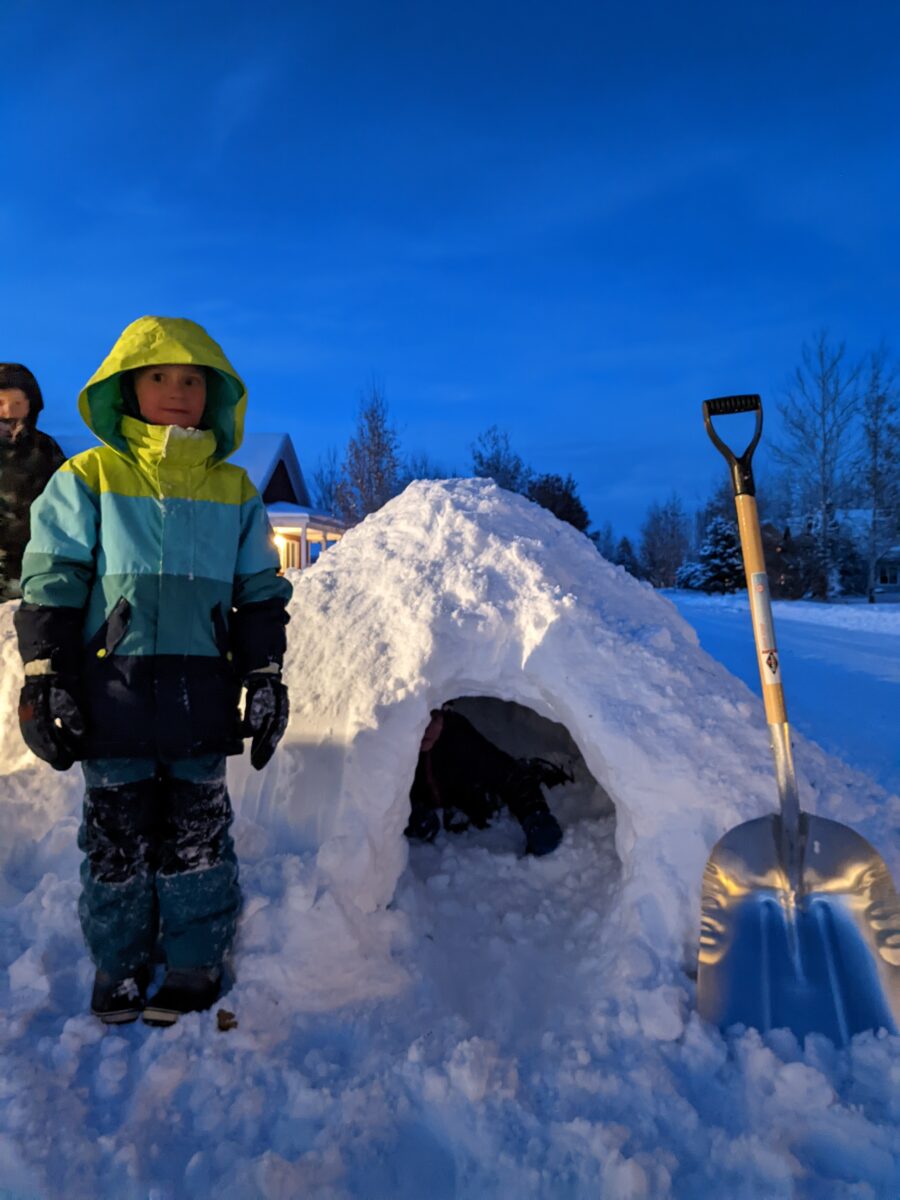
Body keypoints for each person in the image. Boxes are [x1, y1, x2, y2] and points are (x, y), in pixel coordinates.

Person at [14, 316, 292, 1026]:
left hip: (201, 698)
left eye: (193, 380)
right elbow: (52, 578)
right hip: (112, 698)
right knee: (117, 838)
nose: (177, 391)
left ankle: (196, 959)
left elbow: (261, 592)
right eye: (160, 376)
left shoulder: (235, 491)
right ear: (127, 388)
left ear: (215, 395)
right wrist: (45, 677)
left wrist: (264, 677)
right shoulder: (90, 477)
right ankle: (121, 961)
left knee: (197, 833)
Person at [405, 706, 566, 856]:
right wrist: (410, 813)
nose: (425, 729)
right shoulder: (392, 748)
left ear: (443, 716)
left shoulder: (455, 734)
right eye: (418, 721)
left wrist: (534, 812)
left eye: (432, 719)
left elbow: (505, 772)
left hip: (473, 803)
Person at [0, 364, 65, 602]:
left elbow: (66, 508)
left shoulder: (46, 451)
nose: (7, 413)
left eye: (16, 403)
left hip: (30, 577)